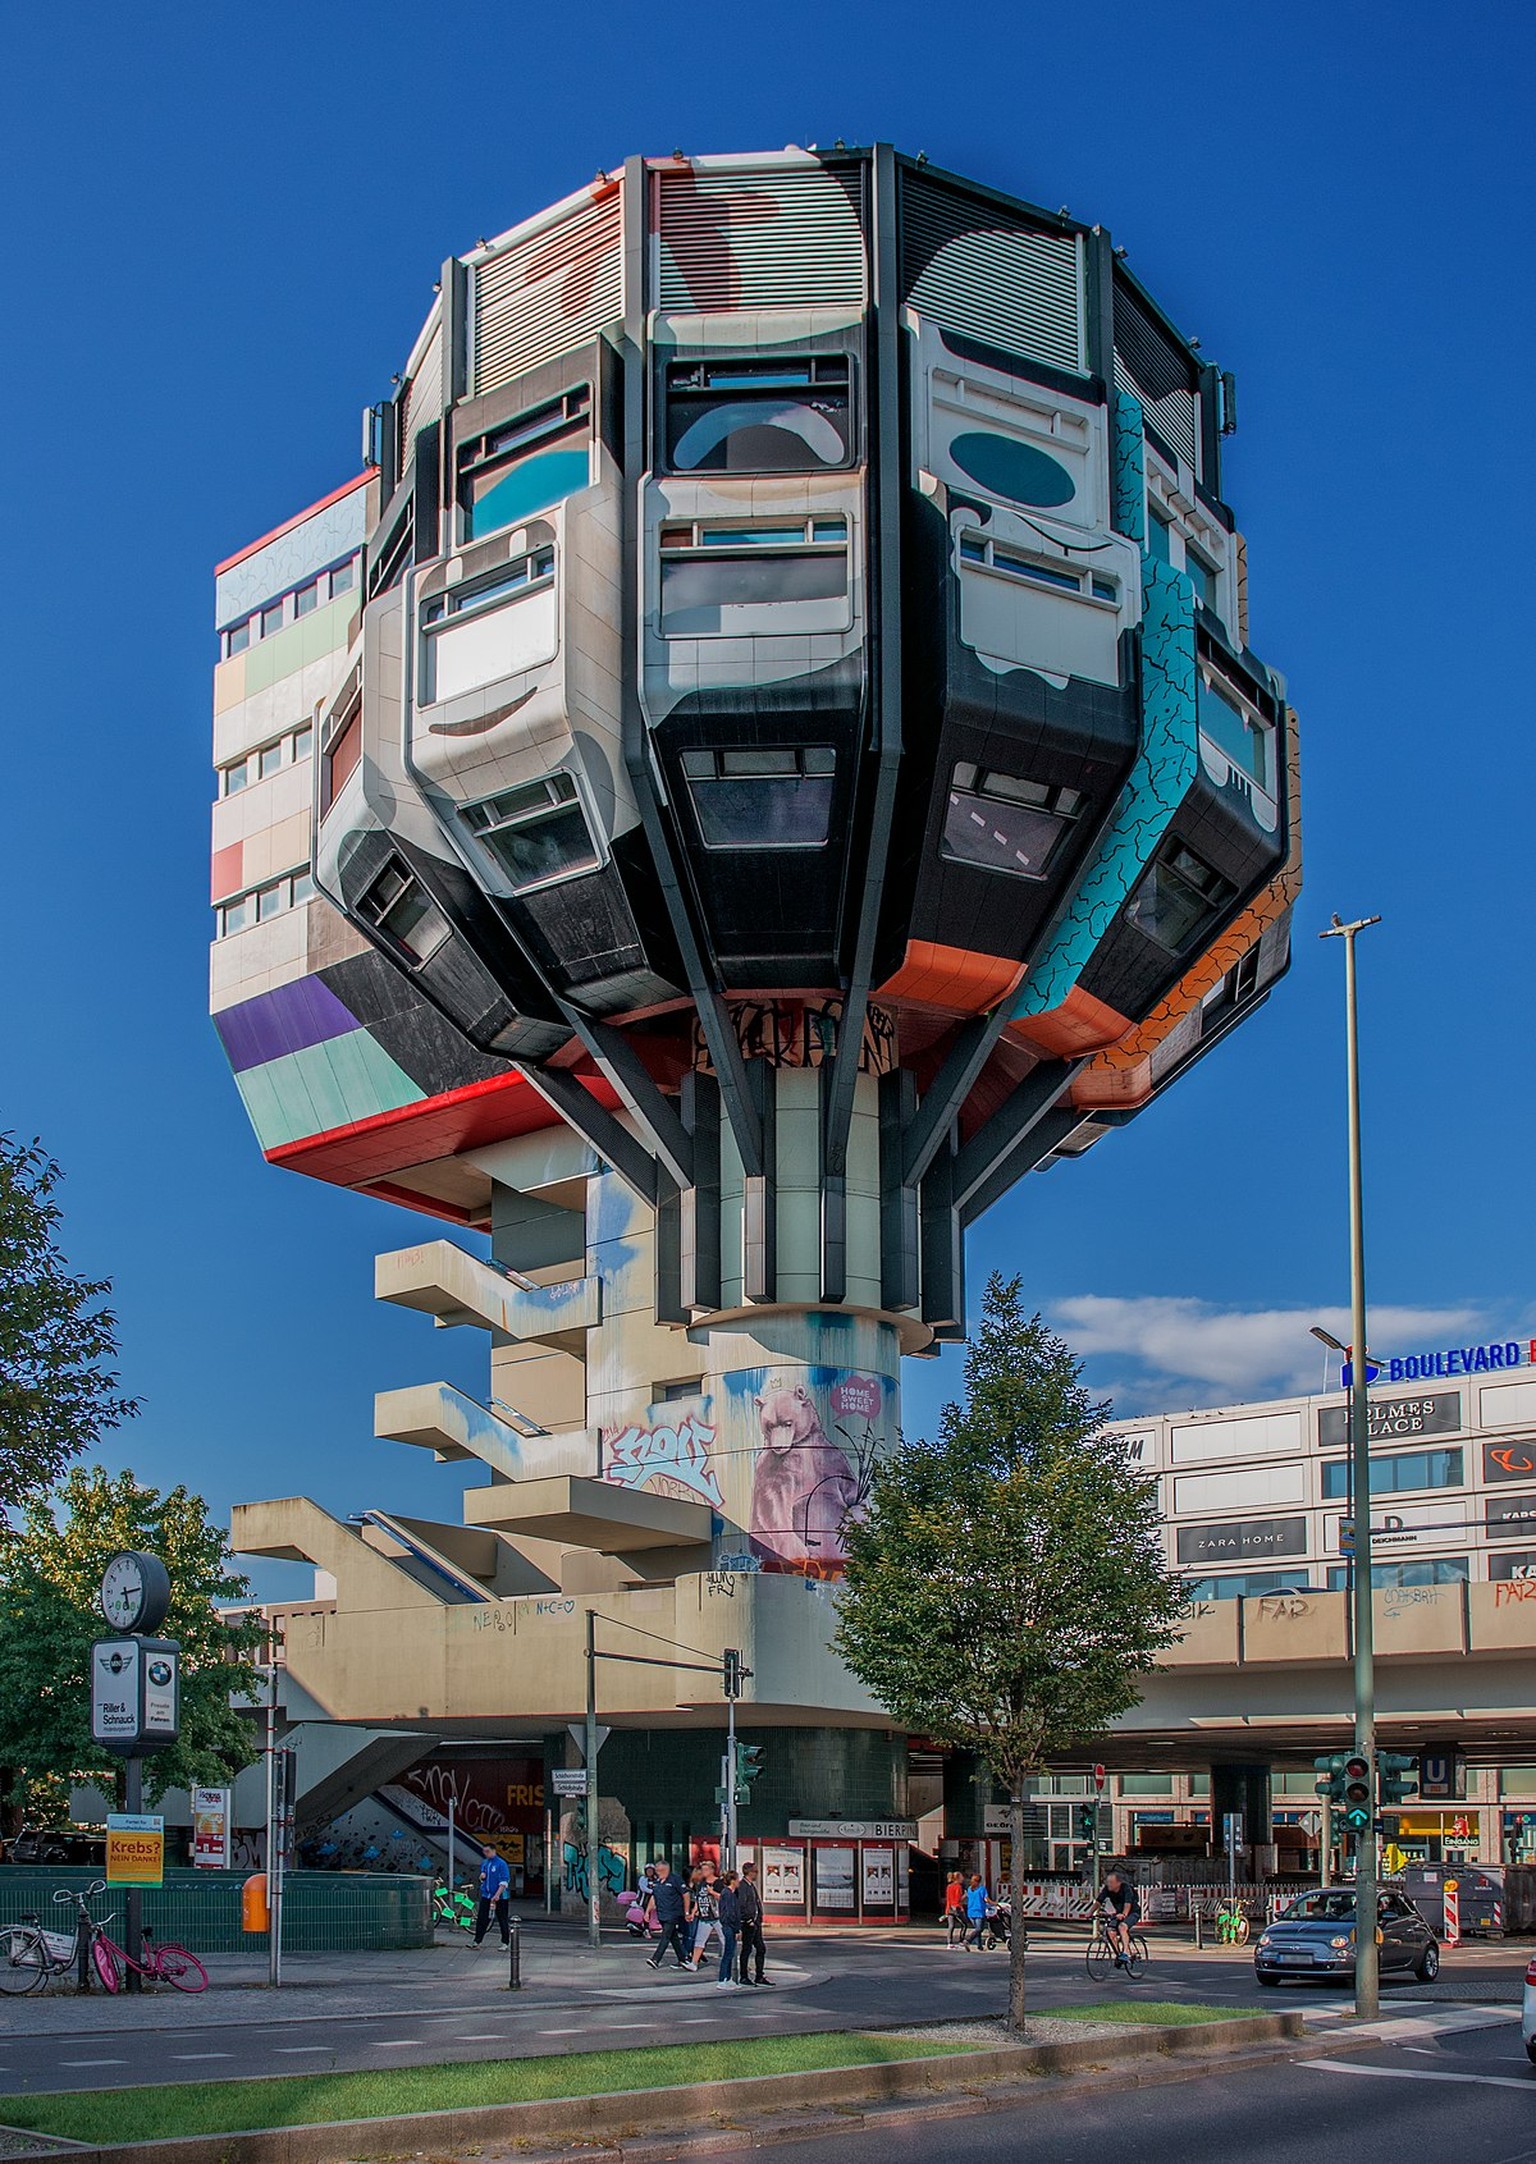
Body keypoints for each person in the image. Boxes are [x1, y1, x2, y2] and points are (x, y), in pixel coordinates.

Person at [646, 1858, 691, 1970]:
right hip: (661, 1914)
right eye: (657, 1871)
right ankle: (683, 1958)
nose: (657, 1873)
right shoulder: (656, 1883)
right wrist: (647, 1912)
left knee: (665, 1936)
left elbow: (686, 1895)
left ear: (666, 1870)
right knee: (673, 1937)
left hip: (673, 1913)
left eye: (659, 1871)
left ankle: (656, 1959)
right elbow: (653, 1897)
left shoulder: (675, 1880)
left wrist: (686, 1912)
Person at [737, 1861, 771, 1985]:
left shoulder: (751, 1886)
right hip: (749, 1923)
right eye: (755, 1871)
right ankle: (744, 1976)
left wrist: (759, 1918)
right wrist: (748, 1919)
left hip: (756, 1923)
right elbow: (742, 1905)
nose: (757, 1874)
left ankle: (759, 1975)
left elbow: (755, 1903)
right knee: (747, 1949)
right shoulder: (743, 1886)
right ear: (749, 1872)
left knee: (761, 1948)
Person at [1100, 1869, 1141, 1967]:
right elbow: (1098, 1901)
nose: (1109, 1884)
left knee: (1122, 1927)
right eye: (1108, 1882)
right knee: (1110, 1931)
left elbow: (1128, 1903)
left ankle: (1126, 1953)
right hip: (1119, 1913)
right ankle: (1119, 1956)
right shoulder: (1107, 1889)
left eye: (1111, 1882)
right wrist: (1090, 1913)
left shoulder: (1126, 1888)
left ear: (1118, 1883)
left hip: (1133, 1913)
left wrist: (1124, 1914)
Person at [473, 1843, 511, 1947]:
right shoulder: (485, 1863)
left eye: (487, 1851)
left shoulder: (501, 1864)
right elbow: (483, 1877)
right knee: (482, 1918)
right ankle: (477, 1941)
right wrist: (482, 1876)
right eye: (484, 1851)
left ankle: (505, 1942)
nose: (486, 1854)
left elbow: (504, 1880)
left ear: (494, 1851)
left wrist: (498, 1894)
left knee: (502, 1919)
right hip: (487, 1895)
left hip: (500, 1897)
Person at [689, 1866, 726, 1970]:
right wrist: (694, 1911)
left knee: (724, 1939)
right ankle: (694, 1963)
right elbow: (698, 1898)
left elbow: (724, 1897)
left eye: (705, 1870)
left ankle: (729, 1961)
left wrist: (712, 1892)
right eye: (702, 1870)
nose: (703, 1872)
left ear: (711, 1870)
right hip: (704, 1916)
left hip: (717, 1916)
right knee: (699, 1940)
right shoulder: (701, 1883)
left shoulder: (718, 1883)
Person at [716, 1869, 743, 1987]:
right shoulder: (728, 1894)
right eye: (737, 1879)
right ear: (732, 1881)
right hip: (729, 1926)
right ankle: (722, 1980)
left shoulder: (730, 1893)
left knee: (730, 1953)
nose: (738, 1882)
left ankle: (728, 1978)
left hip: (729, 1925)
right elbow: (730, 1913)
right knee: (728, 1953)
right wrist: (736, 1928)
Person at [964, 1872, 990, 1952]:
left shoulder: (969, 1889)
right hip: (979, 1911)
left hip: (970, 1912)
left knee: (977, 1930)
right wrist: (994, 1903)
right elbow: (986, 1899)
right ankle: (968, 1940)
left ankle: (979, 1946)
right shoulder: (982, 1889)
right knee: (979, 1929)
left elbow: (966, 1897)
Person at [943, 1871, 966, 1947]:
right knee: (964, 1924)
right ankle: (961, 1940)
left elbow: (948, 1899)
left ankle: (949, 1942)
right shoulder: (958, 1887)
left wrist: (947, 1909)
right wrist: (965, 1895)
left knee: (951, 1926)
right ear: (958, 1878)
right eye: (962, 1877)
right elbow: (958, 1899)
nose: (963, 1878)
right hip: (957, 1908)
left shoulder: (949, 1886)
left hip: (950, 1908)